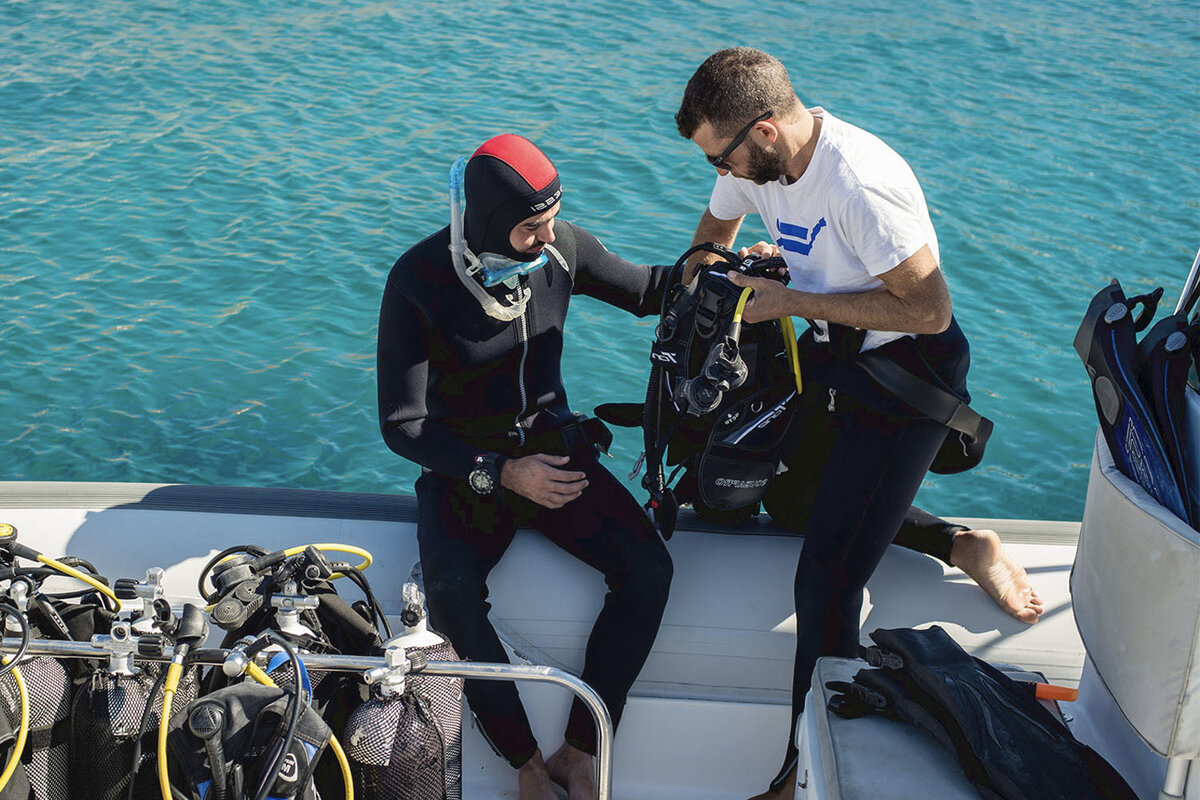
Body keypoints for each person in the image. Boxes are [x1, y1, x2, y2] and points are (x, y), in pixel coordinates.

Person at [674, 48, 1040, 798]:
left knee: (829, 579)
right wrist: (720, 267)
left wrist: (795, 302)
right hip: (837, 360)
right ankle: (958, 542)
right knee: (787, 497)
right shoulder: (753, 164)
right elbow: (709, 239)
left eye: (724, 155)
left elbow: (929, 311)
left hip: (910, 378)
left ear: (766, 131)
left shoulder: (859, 184)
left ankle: (803, 770)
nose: (723, 172)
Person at [376, 133, 673, 800]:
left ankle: (579, 748)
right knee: (452, 596)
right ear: (487, 222)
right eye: (530, 227)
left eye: (550, 221)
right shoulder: (419, 280)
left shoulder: (561, 249)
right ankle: (527, 766)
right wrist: (501, 473)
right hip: (468, 472)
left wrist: (733, 264)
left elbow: (652, 290)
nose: (547, 238)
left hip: (553, 451)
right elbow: (403, 425)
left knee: (649, 570)